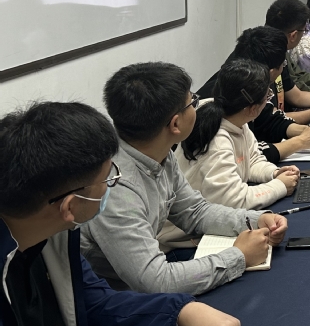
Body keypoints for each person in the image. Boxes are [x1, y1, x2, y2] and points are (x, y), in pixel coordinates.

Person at [0, 101, 239, 326]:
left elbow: (94, 301)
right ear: (70, 207)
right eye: (108, 178)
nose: (113, 183)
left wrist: (179, 310)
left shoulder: (53, 235)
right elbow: (153, 280)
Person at [80, 62, 288, 296]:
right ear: (175, 124)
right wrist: (239, 256)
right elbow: (157, 282)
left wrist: (255, 220)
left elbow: (195, 212)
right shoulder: (116, 187)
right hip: (116, 297)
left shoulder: (157, 151)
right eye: (193, 102)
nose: (197, 107)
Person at [160, 60, 301, 250]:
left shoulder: (236, 119)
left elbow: (252, 159)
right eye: (267, 96)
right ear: (253, 108)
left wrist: (274, 173)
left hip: (211, 225)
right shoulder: (216, 139)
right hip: (185, 241)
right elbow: (235, 201)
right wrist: (280, 186)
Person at [196, 26, 310, 162]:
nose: (283, 69)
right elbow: (244, 156)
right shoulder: (220, 98)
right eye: (283, 65)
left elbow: (268, 120)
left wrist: (306, 131)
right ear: (271, 71)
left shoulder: (247, 83)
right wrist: (301, 141)